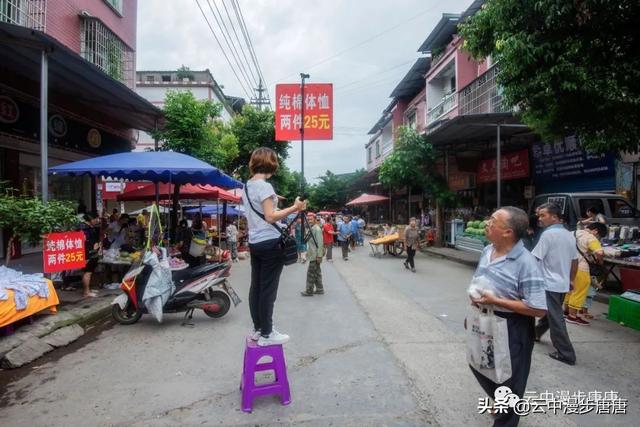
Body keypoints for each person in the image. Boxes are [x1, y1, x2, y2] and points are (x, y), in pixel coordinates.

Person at [468, 207, 547, 427]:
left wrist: (497, 301)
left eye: (493, 221)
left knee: (510, 380)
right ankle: (501, 399)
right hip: (484, 320)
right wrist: (475, 309)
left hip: (513, 326)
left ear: (508, 232)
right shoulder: (488, 251)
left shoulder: (526, 263)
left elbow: (539, 309)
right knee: (478, 364)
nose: (487, 223)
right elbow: (480, 280)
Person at [242, 147, 306, 346]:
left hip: (255, 242)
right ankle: (268, 334)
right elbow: (270, 217)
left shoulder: (247, 186)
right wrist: (295, 207)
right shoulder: (265, 186)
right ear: (271, 163)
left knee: (257, 287)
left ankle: (259, 329)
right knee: (268, 290)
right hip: (270, 243)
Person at [532, 203, 578, 366]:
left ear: (554, 217)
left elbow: (535, 258)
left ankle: (566, 353)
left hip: (549, 283)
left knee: (556, 317)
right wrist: (570, 279)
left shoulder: (548, 235)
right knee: (551, 313)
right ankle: (536, 333)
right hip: (561, 284)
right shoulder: (568, 234)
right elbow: (575, 261)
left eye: (543, 215)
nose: (540, 218)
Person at [564, 222, 606, 325]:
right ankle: (572, 316)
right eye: (599, 236)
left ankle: (566, 312)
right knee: (579, 290)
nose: (598, 238)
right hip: (581, 267)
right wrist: (600, 261)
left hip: (567, 265)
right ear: (595, 231)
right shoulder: (591, 237)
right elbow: (599, 252)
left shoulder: (573, 233)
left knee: (570, 289)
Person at [301, 213, 325, 296]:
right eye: (308, 219)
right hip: (312, 254)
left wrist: (319, 256)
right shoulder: (312, 228)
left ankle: (309, 291)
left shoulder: (317, 229)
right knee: (317, 272)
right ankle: (320, 289)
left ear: (315, 219)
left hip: (315, 255)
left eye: (311, 219)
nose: (309, 221)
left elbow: (320, 243)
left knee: (310, 274)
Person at [80, 212, 101, 298]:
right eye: (96, 218)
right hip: (88, 253)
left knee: (89, 271)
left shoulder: (89, 227)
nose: (97, 220)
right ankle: (86, 292)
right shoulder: (84, 228)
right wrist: (92, 247)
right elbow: (83, 241)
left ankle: (88, 289)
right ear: (91, 219)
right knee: (87, 272)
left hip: (92, 252)